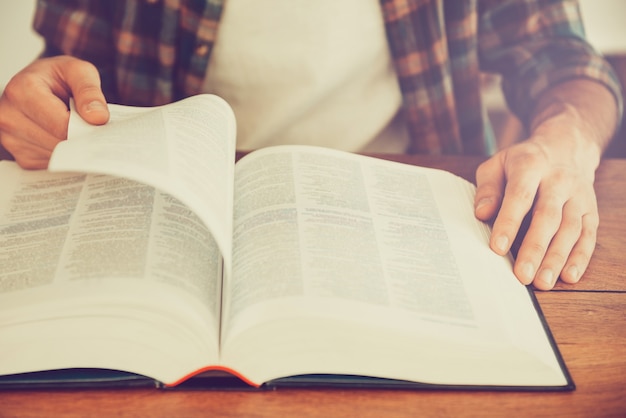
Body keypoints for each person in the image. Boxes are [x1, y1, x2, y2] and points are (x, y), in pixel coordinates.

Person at [0, 0, 622, 291]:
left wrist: (567, 138)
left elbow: (562, 56)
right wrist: (42, 101)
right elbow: (68, 65)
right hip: (162, 217)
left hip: (418, 214)